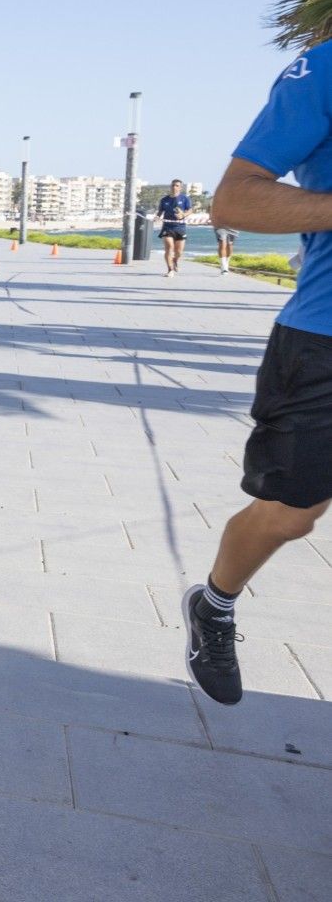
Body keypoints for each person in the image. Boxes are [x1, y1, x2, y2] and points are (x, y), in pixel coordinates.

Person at [183, 39, 332, 707]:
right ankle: (214, 605)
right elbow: (234, 203)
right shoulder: (322, 69)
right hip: (323, 340)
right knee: (289, 516)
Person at [158, 179, 192, 276]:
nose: (174, 187)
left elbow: (190, 210)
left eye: (177, 185)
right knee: (169, 247)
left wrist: (183, 215)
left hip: (180, 227)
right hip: (167, 227)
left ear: (180, 188)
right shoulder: (164, 200)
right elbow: (160, 211)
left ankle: (175, 260)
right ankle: (170, 270)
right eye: (173, 185)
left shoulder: (185, 199)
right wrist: (157, 217)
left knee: (179, 252)